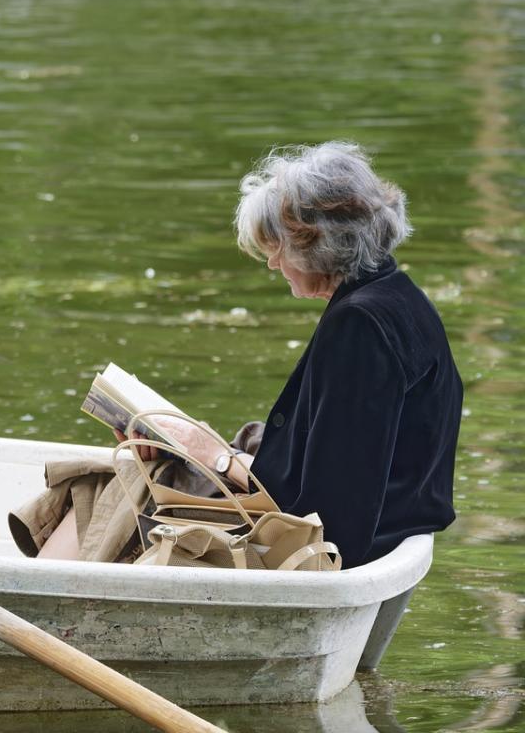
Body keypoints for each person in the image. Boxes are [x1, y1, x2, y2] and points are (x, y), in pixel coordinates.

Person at [29, 141, 461, 567]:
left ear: (316, 244)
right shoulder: (399, 297)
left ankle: (43, 606)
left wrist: (217, 458)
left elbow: (325, 516)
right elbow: (343, 461)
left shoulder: (360, 325)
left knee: (112, 483)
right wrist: (195, 447)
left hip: (331, 551)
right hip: (383, 529)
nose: (273, 264)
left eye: (276, 247)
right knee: (133, 471)